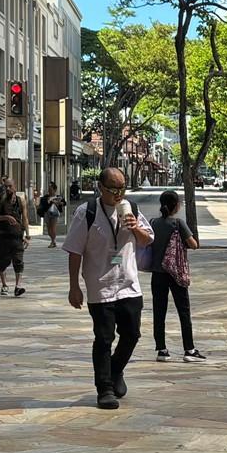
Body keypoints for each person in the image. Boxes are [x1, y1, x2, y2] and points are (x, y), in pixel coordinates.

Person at [64, 167, 154, 408]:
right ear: (100, 188)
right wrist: (74, 286)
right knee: (104, 338)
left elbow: (148, 240)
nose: (118, 194)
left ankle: (115, 371)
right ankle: (104, 389)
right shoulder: (87, 213)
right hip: (100, 286)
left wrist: (135, 228)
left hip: (128, 284)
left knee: (132, 334)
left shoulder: (131, 209)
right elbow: (74, 251)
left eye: (122, 189)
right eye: (113, 190)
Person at [149, 189, 204, 362]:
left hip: (157, 274)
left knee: (159, 312)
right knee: (184, 311)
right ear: (177, 206)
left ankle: (162, 350)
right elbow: (193, 244)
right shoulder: (178, 223)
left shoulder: (153, 223)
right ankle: (189, 349)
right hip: (176, 274)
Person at [0, 180, 29, 296]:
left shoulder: (20, 200)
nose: (8, 189)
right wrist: (5, 217)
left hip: (17, 236)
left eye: (10, 186)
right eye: (6, 186)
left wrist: (27, 235)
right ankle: (4, 284)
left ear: (15, 187)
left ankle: (18, 287)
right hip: (3, 236)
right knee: (3, 262)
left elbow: (25, 218)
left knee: (18, 261)